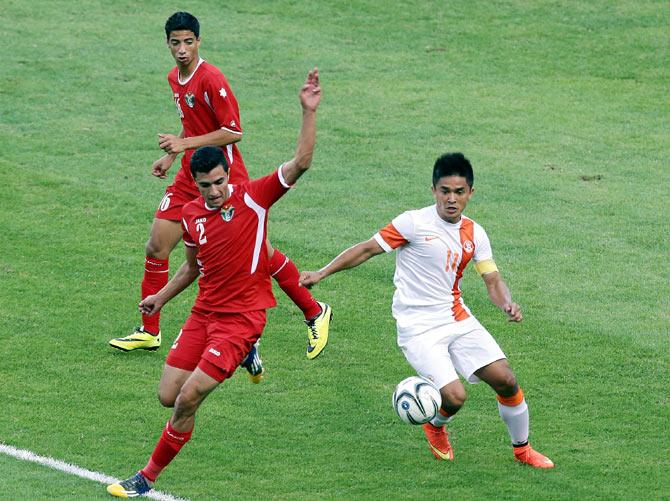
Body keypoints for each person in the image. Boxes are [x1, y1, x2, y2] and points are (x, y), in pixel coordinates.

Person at [107, 68, 321, 497]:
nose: (214, 191)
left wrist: (307, 112)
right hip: (204, 313)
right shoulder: (191, 214)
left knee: (188, 399)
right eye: (205, 186)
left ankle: (145, 479)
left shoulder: (255, 197)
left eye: (220, 182)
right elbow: (191, 267)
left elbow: (301, 163)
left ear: (229, 172)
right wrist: (160, 298)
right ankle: (243, 359)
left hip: (241, 320)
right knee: (167, 396)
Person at [299, 153, 554, 468]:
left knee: (506, 380)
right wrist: (321, 273)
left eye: (459, 192)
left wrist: (506, 303)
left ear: (470, 193)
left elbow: (492, 279)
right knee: (455, 397)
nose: (451, 199)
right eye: (445, 191)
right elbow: (366, 249)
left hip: (456, 317)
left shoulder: (475, 233)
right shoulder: (413, 223)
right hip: (418, 327)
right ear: (433, 190)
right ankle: (435, 425)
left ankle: (523, 450)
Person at [108, 12, 331, 367]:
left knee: (260, 254)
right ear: (167, 43)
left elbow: (233, 131)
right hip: (189, 172)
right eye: (175, 43)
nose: (182, 50)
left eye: (188, 42)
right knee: (157, 244)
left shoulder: (212, 79)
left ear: (198, 41)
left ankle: (314, 310)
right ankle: (150, 330)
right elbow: (191, 123)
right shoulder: (174, 78)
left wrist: (184, 145)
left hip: (222, 176)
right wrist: (173, 155)